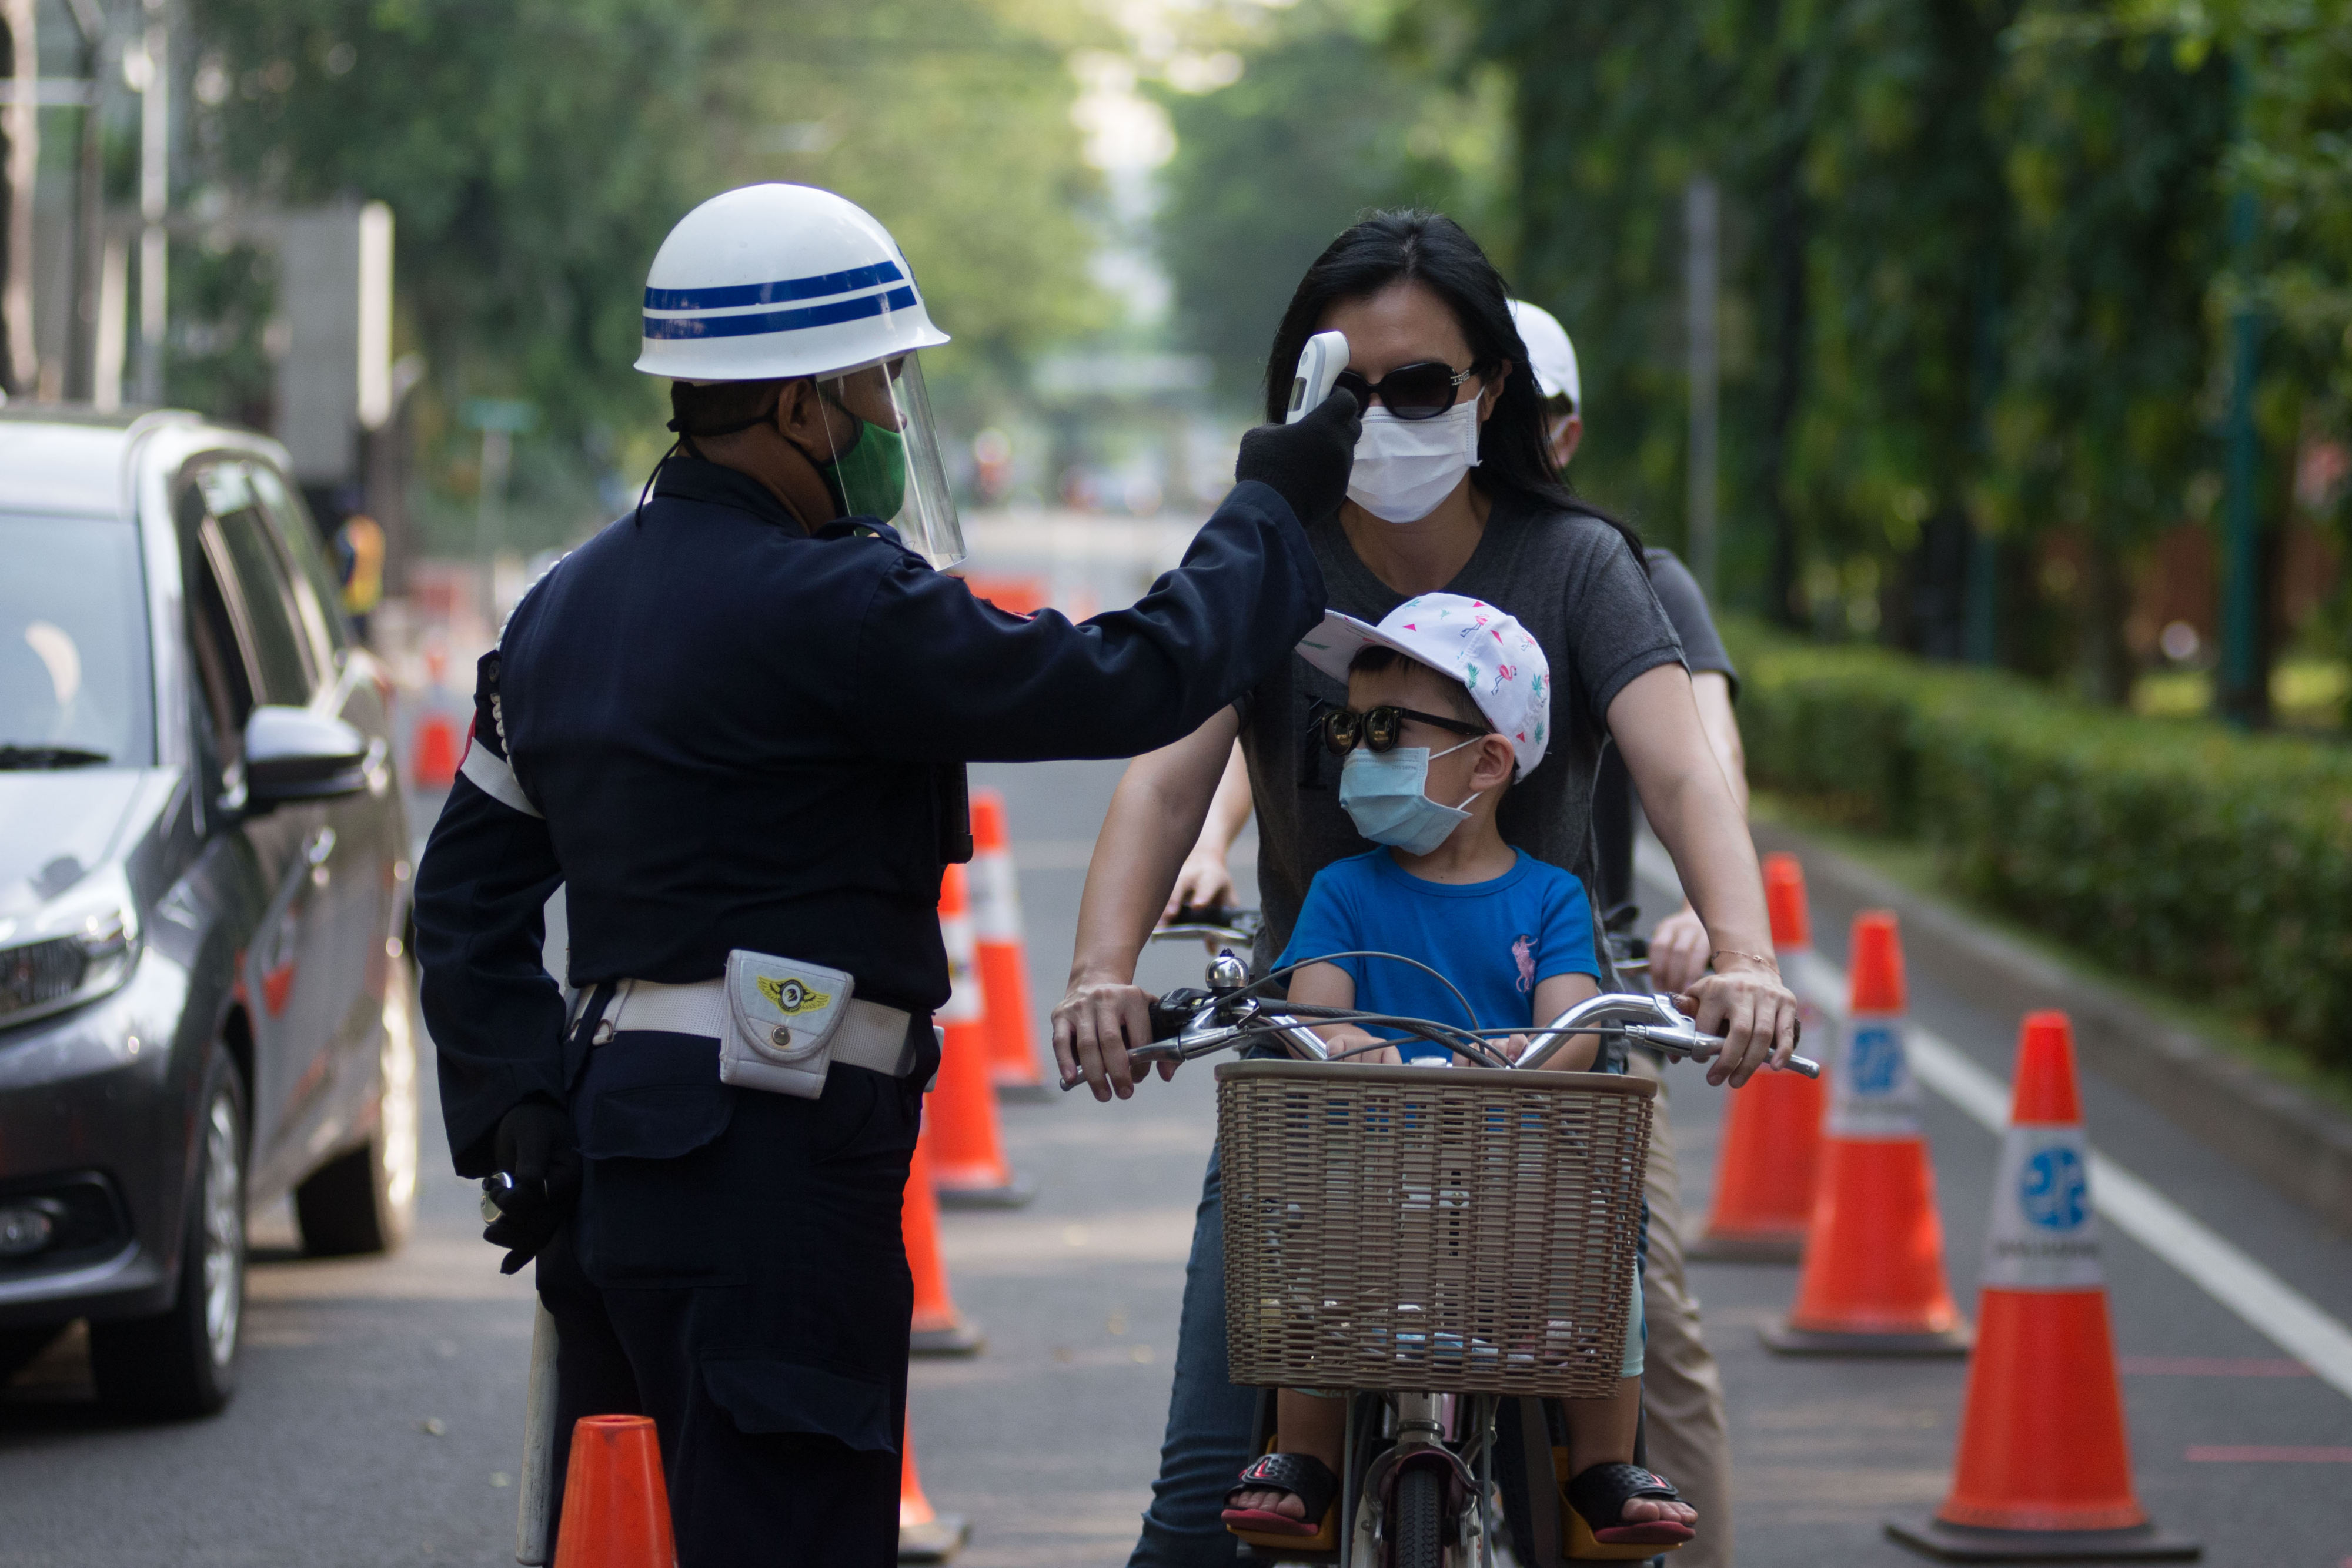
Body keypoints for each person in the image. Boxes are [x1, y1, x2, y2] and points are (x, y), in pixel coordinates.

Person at [411, 181, 1361, 1567]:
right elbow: (1127, 676)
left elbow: (466, 889)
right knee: (791, 1524)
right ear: (798, 405)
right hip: (778, 1168)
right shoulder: (840, 605)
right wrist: (1268, 507)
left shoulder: (560, 607)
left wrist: (514, 1109)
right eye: (875, 385)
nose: (884, 421)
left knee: (626, 1526)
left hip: (612, 1157)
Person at [1049, 209, 1799, 1568]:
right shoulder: (1260, 556)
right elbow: (1164, 781)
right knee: (1206, 1499)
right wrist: (1101, 978)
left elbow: (1685, 773)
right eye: (1348, 387)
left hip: (1549, 1085)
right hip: (1314, 1086)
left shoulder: (1581, 565)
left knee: (1621, 1484)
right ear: (1298, 395)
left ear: (1486, 391)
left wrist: (1743, 955)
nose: (1381, 415)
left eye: (1417, 384)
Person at [1215, 596, 1699, 1557]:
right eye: (1348, 729)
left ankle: (1602, 1460)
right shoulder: (1343, 889)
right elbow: (1319, 1005)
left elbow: (1570, 1020)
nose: (1359, 752)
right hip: (1370, 1178)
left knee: (1605, 1265)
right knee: (1307, 1252)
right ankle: (1305, 1454)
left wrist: (1536, 1047)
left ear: (1488, 762)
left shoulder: (1552, 894)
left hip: (1515, 1188)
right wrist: (1348, 1043)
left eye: (1386, 731)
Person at [1517, 296, 1749, 1568]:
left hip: (1583, 998)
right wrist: (1213, 849)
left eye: (1525, 415)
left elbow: (1699, 760)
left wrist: (1718, 928)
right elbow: (1248, 745)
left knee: (1648, 1326)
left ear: (1565, 429)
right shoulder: (1366, 564)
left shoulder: (1625, 572)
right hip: (1380, 1000)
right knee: (1298, 1332)